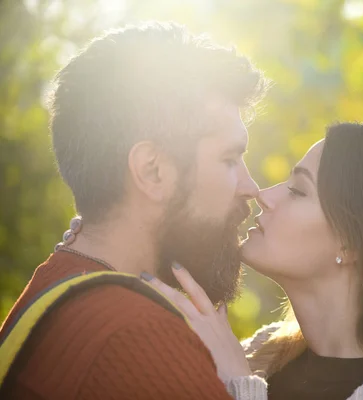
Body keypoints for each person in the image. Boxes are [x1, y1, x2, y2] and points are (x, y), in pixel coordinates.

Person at [0, 22, 270, 399]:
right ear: (152, 171)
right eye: (229, 159)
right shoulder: (140, 339)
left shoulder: (54, 286)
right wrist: (242, 385)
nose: (250, 187)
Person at [149, 123, 363, 399]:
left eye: (297, 191)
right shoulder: (260, 358)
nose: (264, 195)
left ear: (353, 243)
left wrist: (239, 387)